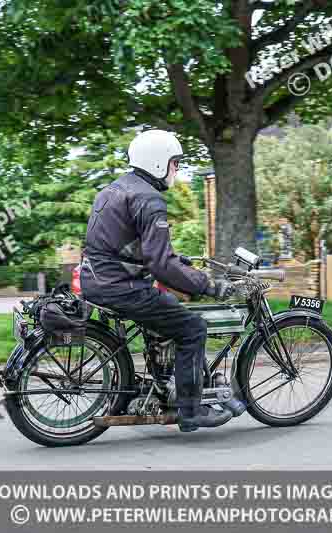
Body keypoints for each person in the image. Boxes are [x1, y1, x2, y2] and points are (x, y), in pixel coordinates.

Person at [80, 129, 243, 432]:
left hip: (97, 280)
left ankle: (162, 381)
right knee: (193, 328)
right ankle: (191, 410)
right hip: (121, 288)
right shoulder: (148, 198)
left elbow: (144, 250)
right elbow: (160, 263)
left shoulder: (114, 189)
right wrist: (207, 285)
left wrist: (183, 266)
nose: (177, 169)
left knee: (166, 307)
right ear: (158, 162)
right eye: (175, 162)